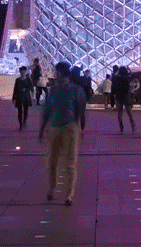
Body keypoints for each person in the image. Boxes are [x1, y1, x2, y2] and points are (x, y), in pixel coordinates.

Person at [39, 61, 86, 205]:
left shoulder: (76, 90)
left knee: (70, 161)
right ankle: (51, 188)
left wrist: (81, 129)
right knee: (51, 161)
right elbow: (47, 111)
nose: (55, 74)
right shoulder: (53, 90)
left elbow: (81, 111)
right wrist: (41, 130)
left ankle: (69, 194)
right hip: (54, 128)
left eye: (57, 72)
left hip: (70, 127)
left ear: (63, 74)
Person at [112, 66, 135, 132]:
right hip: (126, 97)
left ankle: (121, 126)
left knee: (119, 112)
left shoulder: (116, 79)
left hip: (118, 96)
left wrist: (117, 71)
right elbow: (132, 75)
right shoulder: (127, 78)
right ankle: (133, 126)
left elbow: (113, 77)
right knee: (129, 113)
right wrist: (129, 70)